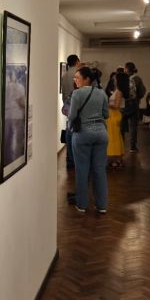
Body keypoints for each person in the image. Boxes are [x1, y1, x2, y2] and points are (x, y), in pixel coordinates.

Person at [68, 66, 109, 214]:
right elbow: (106, 114)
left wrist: (70, 127)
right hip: (101, 133)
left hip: (83, 133)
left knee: (82, 170)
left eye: (77, 77)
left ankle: (82, 204)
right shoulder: (102, 93)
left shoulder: (77, 94)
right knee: (99, 170)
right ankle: (102, 205)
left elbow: (72, 115)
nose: (75, 80)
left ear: (87, 79)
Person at [61, 54, 82, 170]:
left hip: (68, 107)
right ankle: (78, 160)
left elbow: (64, 93)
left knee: (70, 132)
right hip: (80, 107)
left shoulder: (64, 76)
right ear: (77, 62)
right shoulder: (80, 74)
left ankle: (70, 160)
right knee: (79, 134)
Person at [106, 71, 129, 168]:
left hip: (114, 115)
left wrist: (106, 104)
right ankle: (115, 159)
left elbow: (117, 105)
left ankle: (116, 158)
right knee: (113, 137)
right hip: (112, 115)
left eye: (115, 79)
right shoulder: (117, 91)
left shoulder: (119, 92)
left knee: (114, 137)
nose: (114, 80)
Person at [123, 61, 146, 152]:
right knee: (133, 126)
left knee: (121, 126)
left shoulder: (122, 78)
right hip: (134, 104)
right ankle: (132, 146)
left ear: (126, 69)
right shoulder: (137, 79)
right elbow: (142, 91)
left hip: (123, 105)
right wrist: (138, 98)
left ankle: (121, 145)